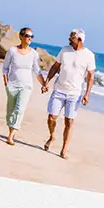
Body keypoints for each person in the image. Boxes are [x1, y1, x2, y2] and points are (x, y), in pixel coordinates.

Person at [41, 28, 96, 159]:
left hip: (75, 94)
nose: (69, 40)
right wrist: (46, 82)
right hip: (59, 90)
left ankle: (64, 150)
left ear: (80, 40)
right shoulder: (65, 50)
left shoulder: (89, 55)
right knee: (51, 118)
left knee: (69, 122)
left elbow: (90, 76)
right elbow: (55, 66)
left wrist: (87, 94)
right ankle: (52, 137)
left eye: (72, 38)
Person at [1, 27, 46, 145]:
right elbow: (5, 68)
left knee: (19, 109)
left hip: (26, 86)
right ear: (21, 37)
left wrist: (44, 84)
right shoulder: (12, 51)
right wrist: (6, 82)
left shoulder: (34, 54)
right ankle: (11, 131)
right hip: (12, 85)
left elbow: (37, 71)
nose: (29, 38)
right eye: (27, 36)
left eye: (31, 36)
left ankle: (11, 136)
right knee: (11, 110)